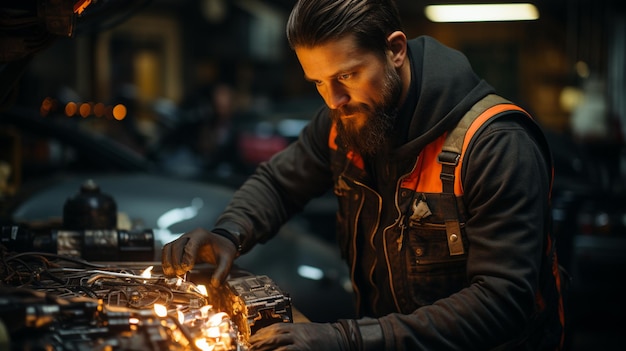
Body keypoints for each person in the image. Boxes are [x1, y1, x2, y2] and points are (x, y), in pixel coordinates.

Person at [161, 0, 566, 349]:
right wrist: (229, 233)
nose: (333, 100)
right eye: (318, 82)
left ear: (395, 50)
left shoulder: (495, 143)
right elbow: (280, 182)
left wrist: (349, 340)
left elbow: (501, 302)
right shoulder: (348, 121)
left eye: (346, 76)